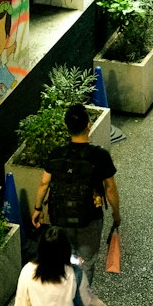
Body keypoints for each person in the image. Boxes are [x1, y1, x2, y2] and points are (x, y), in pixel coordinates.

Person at [30, 103, 120, 281]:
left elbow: (44, 183)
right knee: (86, 261)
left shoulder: (57, 153)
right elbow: (110, 189)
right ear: (88, 125)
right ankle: (82, 297)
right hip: (90, 217)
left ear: (67, 128)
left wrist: (37, 209)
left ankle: (67, 294)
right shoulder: (99, 155)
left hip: (60, 216)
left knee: (65, 258)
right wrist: (116, 214)